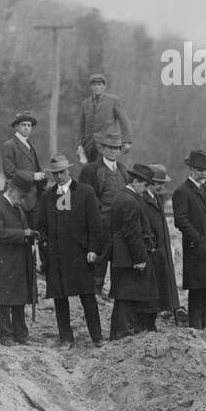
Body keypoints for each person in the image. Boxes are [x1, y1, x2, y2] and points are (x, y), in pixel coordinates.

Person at [34, 153, 104, 348]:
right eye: (55, 173)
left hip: (80, 255)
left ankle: (97, 337)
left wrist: (93, 249)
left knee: (87, 297)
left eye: (62, 172)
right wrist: (44, 254)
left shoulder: (85, 192)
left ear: (69, 171)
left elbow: (95, 225)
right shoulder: (48, 195)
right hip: (56, 257)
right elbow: (42, 227)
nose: (59, 176)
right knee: (60, 299)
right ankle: (66, 338)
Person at [171, 149, 206, 330]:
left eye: (205, 169)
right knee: (197, 291)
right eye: (201, 170)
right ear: (192, 169)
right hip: (196, 248)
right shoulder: (182, 191)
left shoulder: (204, 188)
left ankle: (204, 325)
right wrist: (197, 238)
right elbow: (180, 220)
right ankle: (195, 327)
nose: (204, 173)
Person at [0, 170, 39, 346]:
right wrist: (23, 233)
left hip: (19, 260)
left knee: (19, 299)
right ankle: (6, 336)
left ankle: (21, 335)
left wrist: (31, 235)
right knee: (4, 300)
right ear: (11, 189)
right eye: (21, 195)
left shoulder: (17, 208)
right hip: (4, 261)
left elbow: (22, 229)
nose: (22, 199)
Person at [107, 165, 156, 340]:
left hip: (122, 257)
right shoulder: (129, 200)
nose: (145, 190)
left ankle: (118, 334)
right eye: (144, 185)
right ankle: (124, 334)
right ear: (135, 182)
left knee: (123, 297)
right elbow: (133, 233)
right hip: (128, 257)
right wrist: (140, 258)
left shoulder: (123, 197)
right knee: (128, 297)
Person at [79, 132, 129, 295]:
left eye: (116, 148)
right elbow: (85, 198)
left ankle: (115, 294)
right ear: (102, 149)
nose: (113, 151)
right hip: (99, 223)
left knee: (118, 259)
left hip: (119, 224)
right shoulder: (91, 170)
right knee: (99, 259)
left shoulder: (123, 170)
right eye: (110, 148)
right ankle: (95, 293)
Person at [144, 164, 181, 327]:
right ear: (149, 181)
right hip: (152, 250)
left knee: (160, 288)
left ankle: (151, 322)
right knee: (150, 289)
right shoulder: (142, 199)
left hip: (161, 250)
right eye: (158, 183)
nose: (161, 186)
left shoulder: (157, 198)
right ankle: (145, 323)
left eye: (162, 183)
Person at [78, 73, 131, 164]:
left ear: (104, 86)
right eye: (94, 85)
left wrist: (127, 141)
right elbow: (81, 127)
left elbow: (124, 121)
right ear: (91, 87)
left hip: (107, 145)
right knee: (90, 172)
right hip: (89, 146)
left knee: (104, 172)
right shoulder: (85, 104)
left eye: (99, 85)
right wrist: (79, 145)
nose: (97, 87)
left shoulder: (113, 101)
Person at [0, 112, 47, 214]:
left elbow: (37, 167)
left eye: (29, 125)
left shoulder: (31, 146)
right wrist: (32, 176)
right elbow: (9, 172)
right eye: (23, 125)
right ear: (16, 127)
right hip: (17, 196)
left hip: (34, 197)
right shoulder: (9, 145)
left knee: (35, 228)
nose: (27, 128)